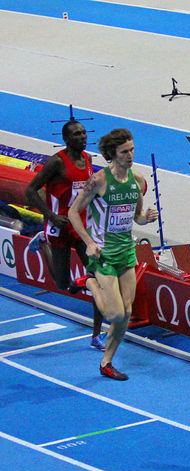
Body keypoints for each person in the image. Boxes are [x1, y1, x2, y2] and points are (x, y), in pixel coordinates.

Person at [69, 128, 157, 381]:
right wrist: (87, 242)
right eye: (124, 152)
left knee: (127, 313)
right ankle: (88, 281)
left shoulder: (138, 181)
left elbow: (136, 215)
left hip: (126, 252)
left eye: (132, 150)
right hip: (103, 253)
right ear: (112, 154)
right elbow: (74, 212)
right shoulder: (98, 181)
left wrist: (146, 218)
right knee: (115, 314)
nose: (130, 156)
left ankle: (106, 362)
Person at [25, 120, 106, 350]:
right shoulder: (56, 163)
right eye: (76, 134)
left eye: (83, 133)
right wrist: (50, 215)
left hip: (81, 228)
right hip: (59, 224)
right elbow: (30, 191)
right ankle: (43, 243)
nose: (82, 137)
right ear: (66, 139)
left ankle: (96, 335)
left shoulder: (89, 159)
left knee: (98, 278)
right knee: (63, 284)